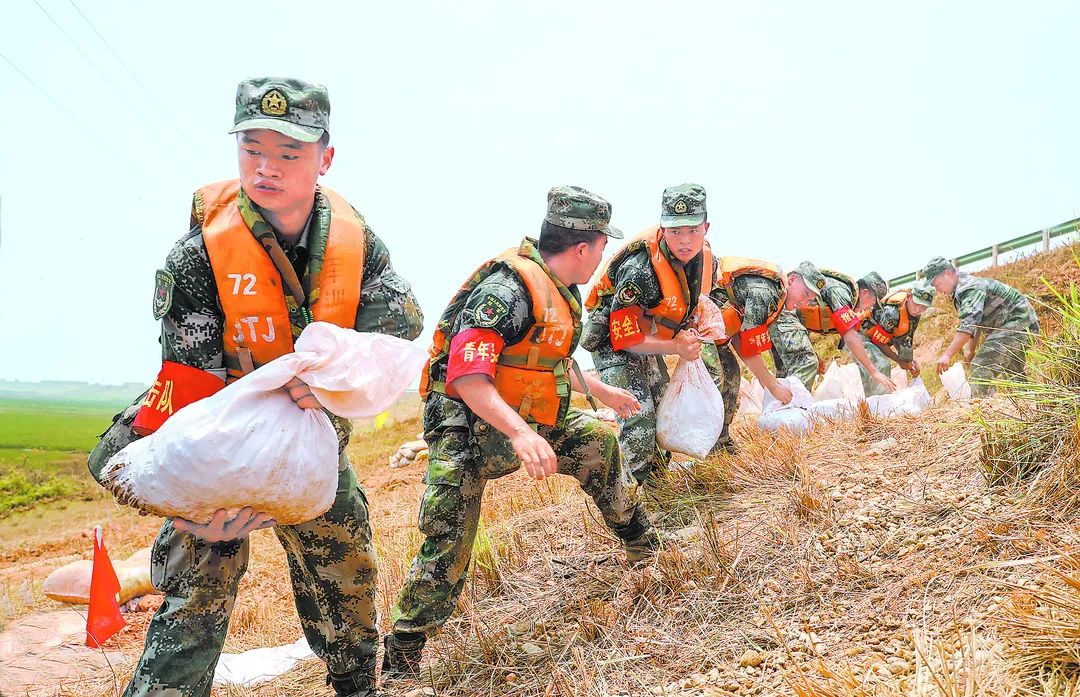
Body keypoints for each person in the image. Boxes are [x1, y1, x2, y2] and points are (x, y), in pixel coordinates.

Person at [87, 77, 423, 697]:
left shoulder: (355, 242)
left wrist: (329, 380)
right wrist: (189, 508)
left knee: (347, 562)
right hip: (218, 435)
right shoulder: (197, 256)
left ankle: (357, 685)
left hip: (310, 439)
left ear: (325, 158)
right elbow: (189, 384)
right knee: (195, 576)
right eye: (252, 149)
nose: (266, 168)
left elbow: (399, 324)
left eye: (288, 153)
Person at [383, 186, 658, 680]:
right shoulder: (505, 291)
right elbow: (467, 376)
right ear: (583, 248)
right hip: (465, 423)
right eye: (601, 246)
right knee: (448, 533)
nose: (601, 257)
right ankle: (403, 655)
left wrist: (604, 392)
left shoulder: (560, 289)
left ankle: (643, 545)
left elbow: (549, 359)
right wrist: (520, 433)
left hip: (524, 412)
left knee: (597, 444)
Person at [580, 183, 735, 483]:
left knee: (664, 412)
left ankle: (655, 486)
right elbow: (624, 338)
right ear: (663, 229)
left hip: (650, 339)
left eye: (692, 230)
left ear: (706, 228)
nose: (684, 240)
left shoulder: (701, 260)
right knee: (638, 420)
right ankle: (626, 497)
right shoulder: (640, 270)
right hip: (614, 342)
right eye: (675, 231)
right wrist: (675, 347)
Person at [921, 256, 1040, 396]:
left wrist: (948, 355)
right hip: (1014, 325)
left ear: (947, 274)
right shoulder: (960, 291)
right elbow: (975, 322)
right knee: (1013, 371)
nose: (937, 289)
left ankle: (984, 406)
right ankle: (1028, 402)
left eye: (936, 284)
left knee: (981, 367)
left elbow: (967, 325)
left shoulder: (969, 288)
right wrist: (970, 350)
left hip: (1018, 323)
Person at [773, 264, 897, 394]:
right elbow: (850, 337)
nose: (870, 308)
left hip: (781, 315)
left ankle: (780, 404)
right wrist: (873, 371)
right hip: (782, 311)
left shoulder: (846, 299)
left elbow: (804, 321)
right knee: (805, 363)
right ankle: (795, 404)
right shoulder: (841, 292)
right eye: (873, 303)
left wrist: (815, 355)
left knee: (785, 373)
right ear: (864, 293)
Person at [858, 283, 936, 382]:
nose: (917, 310)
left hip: (880, 336)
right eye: (916, 304)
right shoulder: (892, 313)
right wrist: (899, 361)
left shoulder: (914, 314)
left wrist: (909, 361)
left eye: (923, 307)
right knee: (882, 365)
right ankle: (874, 392)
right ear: (908, 297)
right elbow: (879, 342)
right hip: (862, 335)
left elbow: (905, 339)